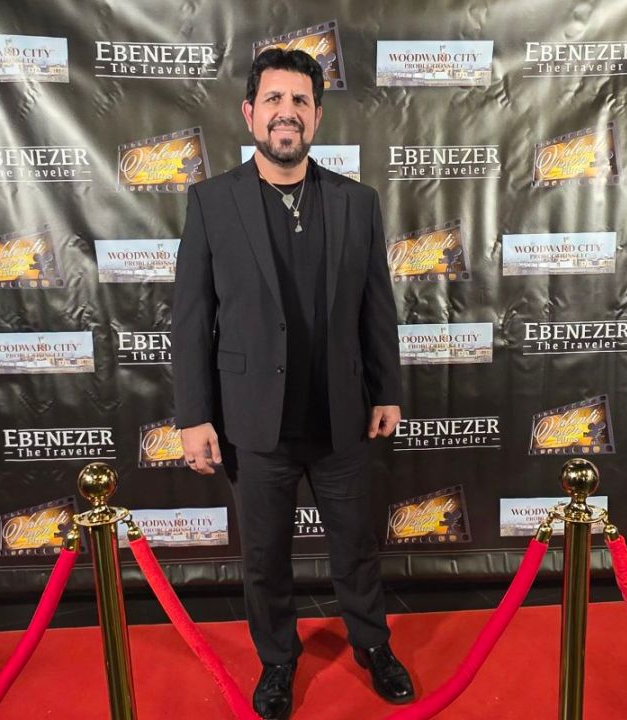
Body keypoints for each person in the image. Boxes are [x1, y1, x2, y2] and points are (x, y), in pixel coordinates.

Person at [172, 49, 410, 719]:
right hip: (253, 423)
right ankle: (278, 660)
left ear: (317, 116)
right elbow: (190, 319)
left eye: (300, 101)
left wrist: (387, 390)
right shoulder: (212, 202)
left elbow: (377, 308)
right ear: (250, 113)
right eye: (274, 99)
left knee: (356, 549)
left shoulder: (357, 203)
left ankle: (372, 645)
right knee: (265, 559)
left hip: (341, 417)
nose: (287, 113)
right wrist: (193, 415)